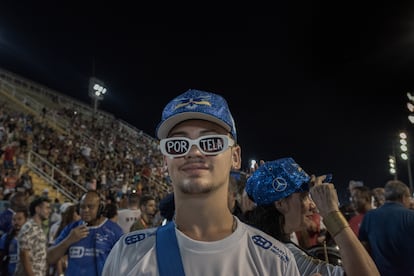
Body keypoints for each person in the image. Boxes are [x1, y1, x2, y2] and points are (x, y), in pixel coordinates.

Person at [103, 89, 300, 275]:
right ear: (165, 160)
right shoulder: (127, 255)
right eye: (178, 145)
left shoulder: (275, 262)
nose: (194, 152)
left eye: (211, 142)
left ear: (235, 156)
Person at [245, 157, 380, 276]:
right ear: (280, 203)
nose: (313, 205)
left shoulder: (253, 241)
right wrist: (332, 213)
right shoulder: (285, 255)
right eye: (304, 197)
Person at [47, 190, 123, 276]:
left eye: (90, 207)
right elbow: (50, 258)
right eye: (82, 207)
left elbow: (124, 263)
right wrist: (69, 240)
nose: (86, 210)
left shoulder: (114, 231)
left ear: (100, 208)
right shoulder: (72, 229)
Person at [359, 180, 414, 275]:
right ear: (403, 197)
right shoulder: (411, 216)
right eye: (409, 197)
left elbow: (363, 249)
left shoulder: (369, 216)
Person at [14, 196, 51, 276]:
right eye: (47, 208)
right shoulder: (29, 228)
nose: (49, 211)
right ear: (37, 209)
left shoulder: (39, 229)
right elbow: (24, 255)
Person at [0, 207, 28, 276]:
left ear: (26, 220)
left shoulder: (31, 237)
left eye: (19, 219)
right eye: (14, 220)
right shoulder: (5, 238)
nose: (16, 222)